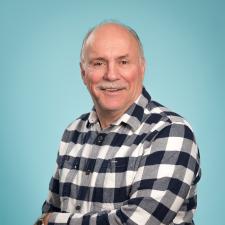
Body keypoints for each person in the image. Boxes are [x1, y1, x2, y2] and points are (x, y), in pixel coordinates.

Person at [35, 21, 201, 225]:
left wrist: (53, 222)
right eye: (98, 63)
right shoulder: (73, 132)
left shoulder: (171, 132)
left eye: (123, 62)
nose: (111, 75)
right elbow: (51, 209)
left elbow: (137, 222)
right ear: (83, 73)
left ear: (142, 67)